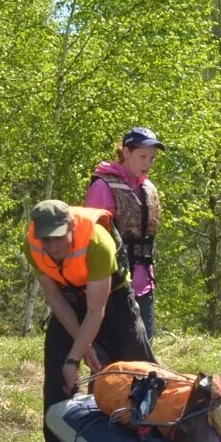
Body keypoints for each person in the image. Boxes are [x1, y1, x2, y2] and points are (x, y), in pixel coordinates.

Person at [29, 198, 154, 442]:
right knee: (58, 381)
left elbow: (97, 309)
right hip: (68, 301)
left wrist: (79, 355)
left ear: (72, 227)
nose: (54, 245)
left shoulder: (97, 242)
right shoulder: (33, 246)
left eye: (60, 236)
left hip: (113, 299)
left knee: (140, 375)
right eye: (47, 239)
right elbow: (55, 298)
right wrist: (79, 351)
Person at [86, 127, 166, 346]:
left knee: (143, 356)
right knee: (111, 358)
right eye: (142, 156)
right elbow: (94, 240)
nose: (147, 163)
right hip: (113, 285)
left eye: (152, 158)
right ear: (126, 152)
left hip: (144, 283)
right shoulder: (103, 187)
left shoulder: (147, 188)